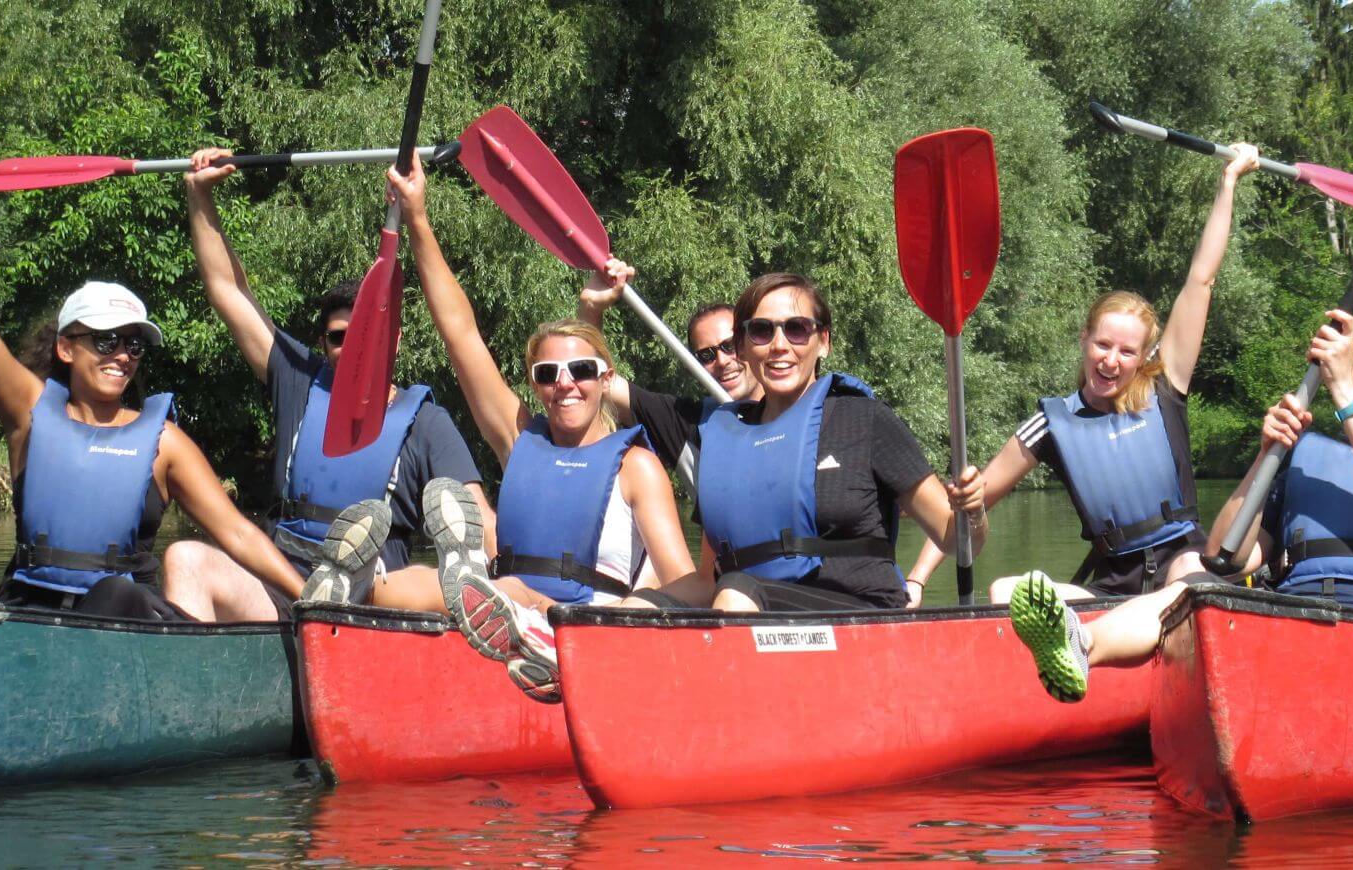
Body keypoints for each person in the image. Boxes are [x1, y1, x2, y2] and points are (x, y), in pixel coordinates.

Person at [1009, 312, 1353, 703]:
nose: (1350, 380)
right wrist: (1266, 456)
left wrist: (1345, 390)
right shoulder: (1308, 462)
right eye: (1349, 371)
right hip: (1293, 611)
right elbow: (1228, 554)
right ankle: (1082, 645)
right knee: (1195, 588)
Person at [0, 185, 305, 622]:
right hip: (30, 611)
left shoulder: (166, 444)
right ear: (66, 347)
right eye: (106, 341)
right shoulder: (29, 410)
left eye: (134, 346)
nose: (122, 355)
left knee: (116, 593)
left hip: (128, 617)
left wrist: (311, 599)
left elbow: (236, 532)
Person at [386, 155, 700, 701]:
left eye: (581, 372)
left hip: (589, 631)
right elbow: (460, 334)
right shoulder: (519, 441)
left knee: (502, 588)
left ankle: (525, 632)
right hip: (506, 600)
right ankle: (343, 589)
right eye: (548, 374)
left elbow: (685, 584)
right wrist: (417, 219)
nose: (565, 385)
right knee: (388, 589)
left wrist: (620, 616)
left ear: (606, 379)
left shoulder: (637, 468)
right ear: (535, 385)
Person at [906, 145, 1263, 606]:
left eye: (1126, 351)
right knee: (1004, 591)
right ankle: (1106, 635)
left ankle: (1150, 621)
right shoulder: (1052, 423)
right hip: (1112, 582)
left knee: (1195, 573)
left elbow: (1201, 279)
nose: (1111, 361)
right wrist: (916, 580)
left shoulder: (1165, 386)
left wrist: (1228, 182)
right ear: (1084, 339)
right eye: (1103, 345)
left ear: (1143, 357)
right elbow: (967, 509)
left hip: (1182, 560)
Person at [174, 148, 495, 612]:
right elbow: (229, 290)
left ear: (396, 341)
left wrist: (493, 558)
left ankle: (492, 614)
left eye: (371, 336)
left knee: (440, 581)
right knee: (185, 558)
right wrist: (199, 195)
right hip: (286, 582)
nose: (356, 348)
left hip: (376, 591)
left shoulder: (426, 423)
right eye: (339, 338)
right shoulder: (299, 381)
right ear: (323, 344)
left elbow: (476, 514)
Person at [615, 271, 988, 613]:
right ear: (743, 347)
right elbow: (709, 580)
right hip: (748, 605)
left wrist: (973, 512)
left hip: (860, 615)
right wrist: (636, 605)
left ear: (822, 342)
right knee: (634, 607)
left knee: (736, 593)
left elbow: (956, 539)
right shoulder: (722, 438)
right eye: (762, 331)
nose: (779, 345)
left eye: (797, 329)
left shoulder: (865, 420)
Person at [575, 261, 759, 484]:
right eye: (706, 355)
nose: (722, 360)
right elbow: (603, 385)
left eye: (730, 345)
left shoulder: (801, 411)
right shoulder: (684, 422)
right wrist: (591, 309)